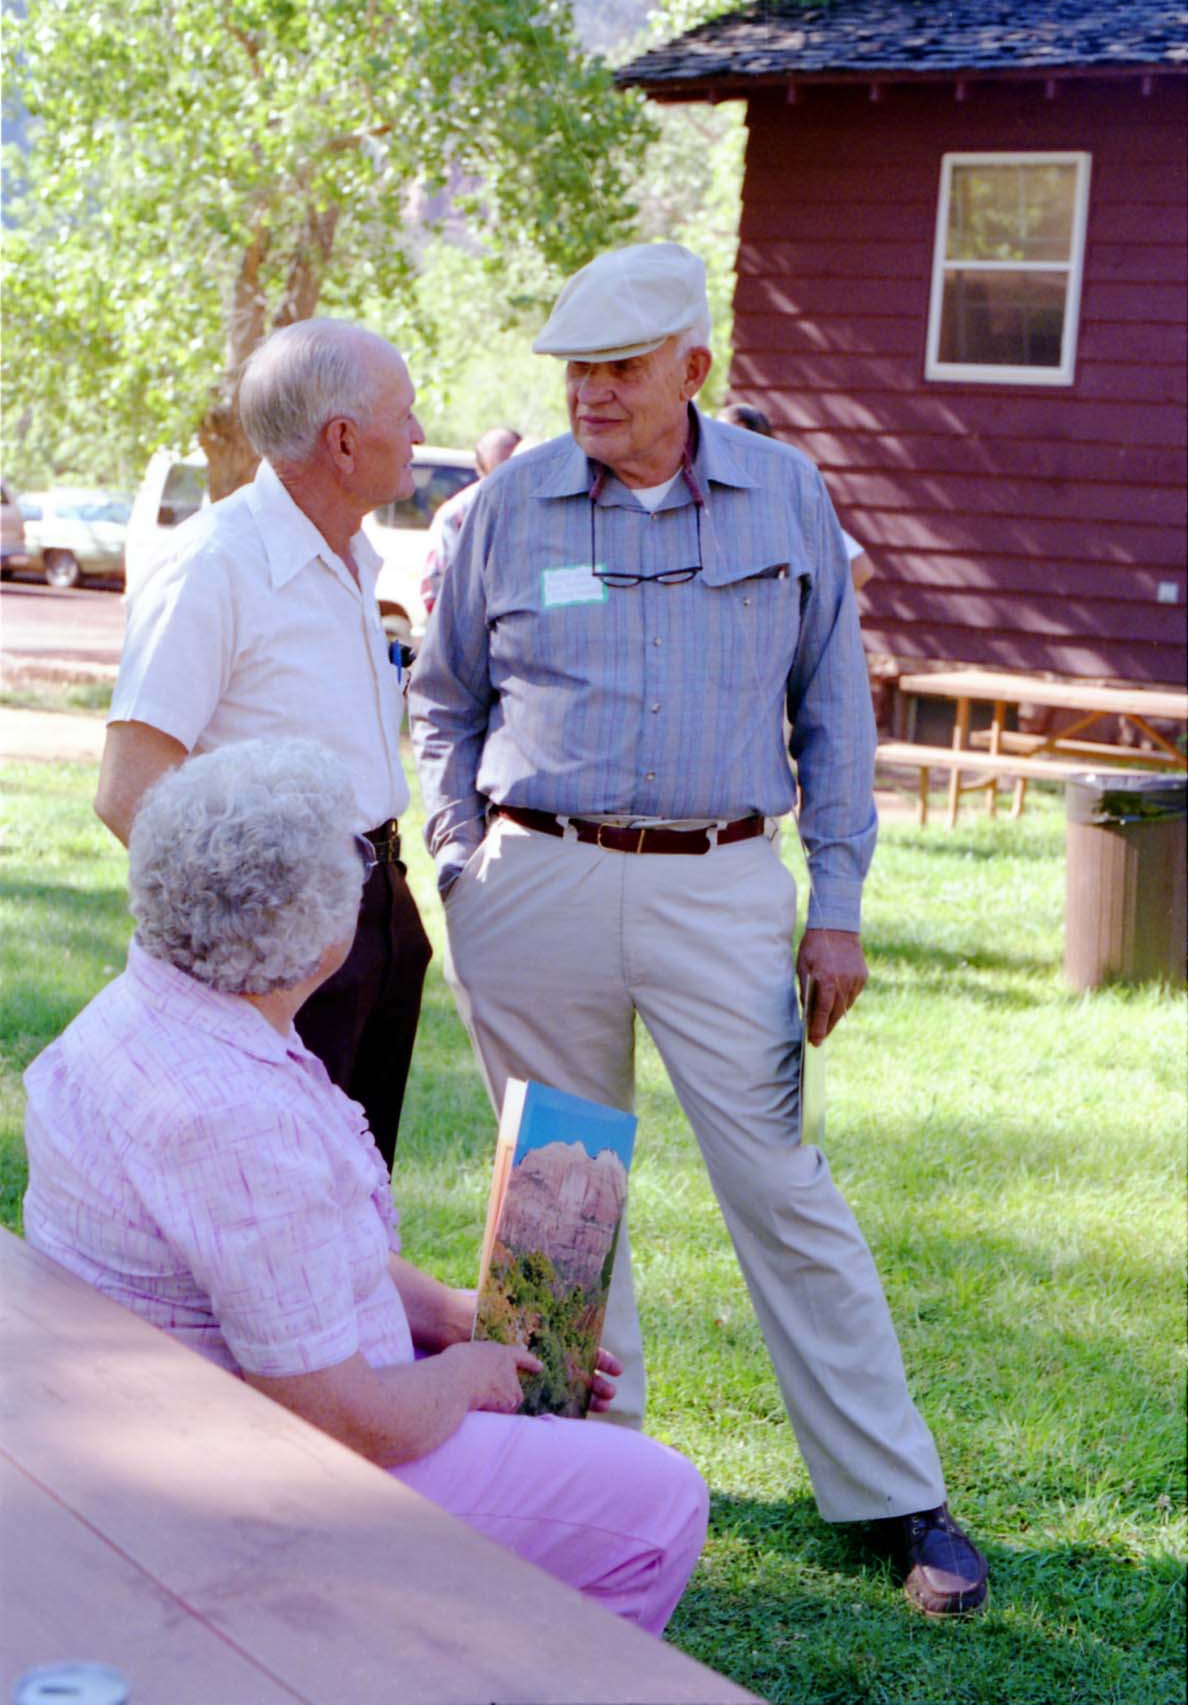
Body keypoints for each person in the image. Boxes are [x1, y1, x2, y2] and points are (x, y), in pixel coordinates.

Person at [408, 240, 988, 1617]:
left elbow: (837, 718)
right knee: (561, 1185)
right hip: (534, 878)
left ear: (693, 369)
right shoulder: (507, 507)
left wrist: (836, 907)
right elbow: (445, 697)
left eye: (618, 368)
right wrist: (456, 861)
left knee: (785, 1184)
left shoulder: (787, 496)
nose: (591, 395)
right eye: (574, 372)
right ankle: (572, 1469)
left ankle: (896, 1493)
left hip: (724, 884)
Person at [25, 738, 708, 1635]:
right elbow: (343, 1417)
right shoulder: (231, 1115)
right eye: (351, 856)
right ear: (315, 933)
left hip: (177, 1418)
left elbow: (287, 1258)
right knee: (659, 1501)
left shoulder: (144, 1014)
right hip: (258, 1473)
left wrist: (446, 1315)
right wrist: (467, 1377)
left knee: (575, 1441)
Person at [93, 319, 433, 1171]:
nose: (421, 435)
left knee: (353, 1193)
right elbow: (128, 788)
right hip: (278, 938)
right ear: (344, 441)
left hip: (377, 908)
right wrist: (260, 950)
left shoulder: (351, 550)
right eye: (408, 414)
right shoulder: (214, 562)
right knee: (272, 1195)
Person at [719, 403, 876, 590]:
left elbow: (859, 566)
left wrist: (810, 611)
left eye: (733, 443)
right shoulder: (701, 498)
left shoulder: (782, 505)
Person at [420, 426, 522, 617]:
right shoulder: (457, 515)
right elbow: (436, 588)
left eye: (514, 466)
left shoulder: (544, 507)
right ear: (480, 470)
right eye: (498, 473)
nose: (506, 481)